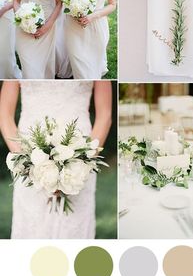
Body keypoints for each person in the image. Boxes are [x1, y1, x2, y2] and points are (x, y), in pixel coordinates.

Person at [0, 80, 112, 239]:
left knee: (73, 227)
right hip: (29, 153)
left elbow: (104, 116)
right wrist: (27, 164)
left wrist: (82, 163)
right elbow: (5, 115)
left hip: (80, 152)